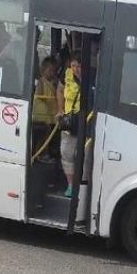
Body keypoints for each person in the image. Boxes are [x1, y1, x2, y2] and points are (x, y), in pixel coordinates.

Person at [56, 52, 81, 198]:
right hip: (69, 121)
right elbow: (59, 90)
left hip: (86, 122)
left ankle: (82, 186)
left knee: (85, 156)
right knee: (66, 154)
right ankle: (71, 186)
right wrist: (60, 110)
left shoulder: (92, 77)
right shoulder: (66, 75)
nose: (76, 69)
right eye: (73, 66)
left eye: (79, 66)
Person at [32, 57, 58, 164]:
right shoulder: (41, 82)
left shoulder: (52, 82)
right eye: (50, 70)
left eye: (53, 71)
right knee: (44, 134)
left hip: (50, 114)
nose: (52, 73)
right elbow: (38, 95)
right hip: (42, 114)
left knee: (50, 134)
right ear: (43, 70)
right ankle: (41, 154)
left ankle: (46, 152)